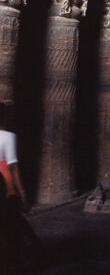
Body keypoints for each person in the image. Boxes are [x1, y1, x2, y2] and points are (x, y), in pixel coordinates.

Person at [0, 102, 29, 274]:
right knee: (10, 230)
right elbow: (13, 167)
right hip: (5, 186)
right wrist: (23, 194)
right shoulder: (9, 136)